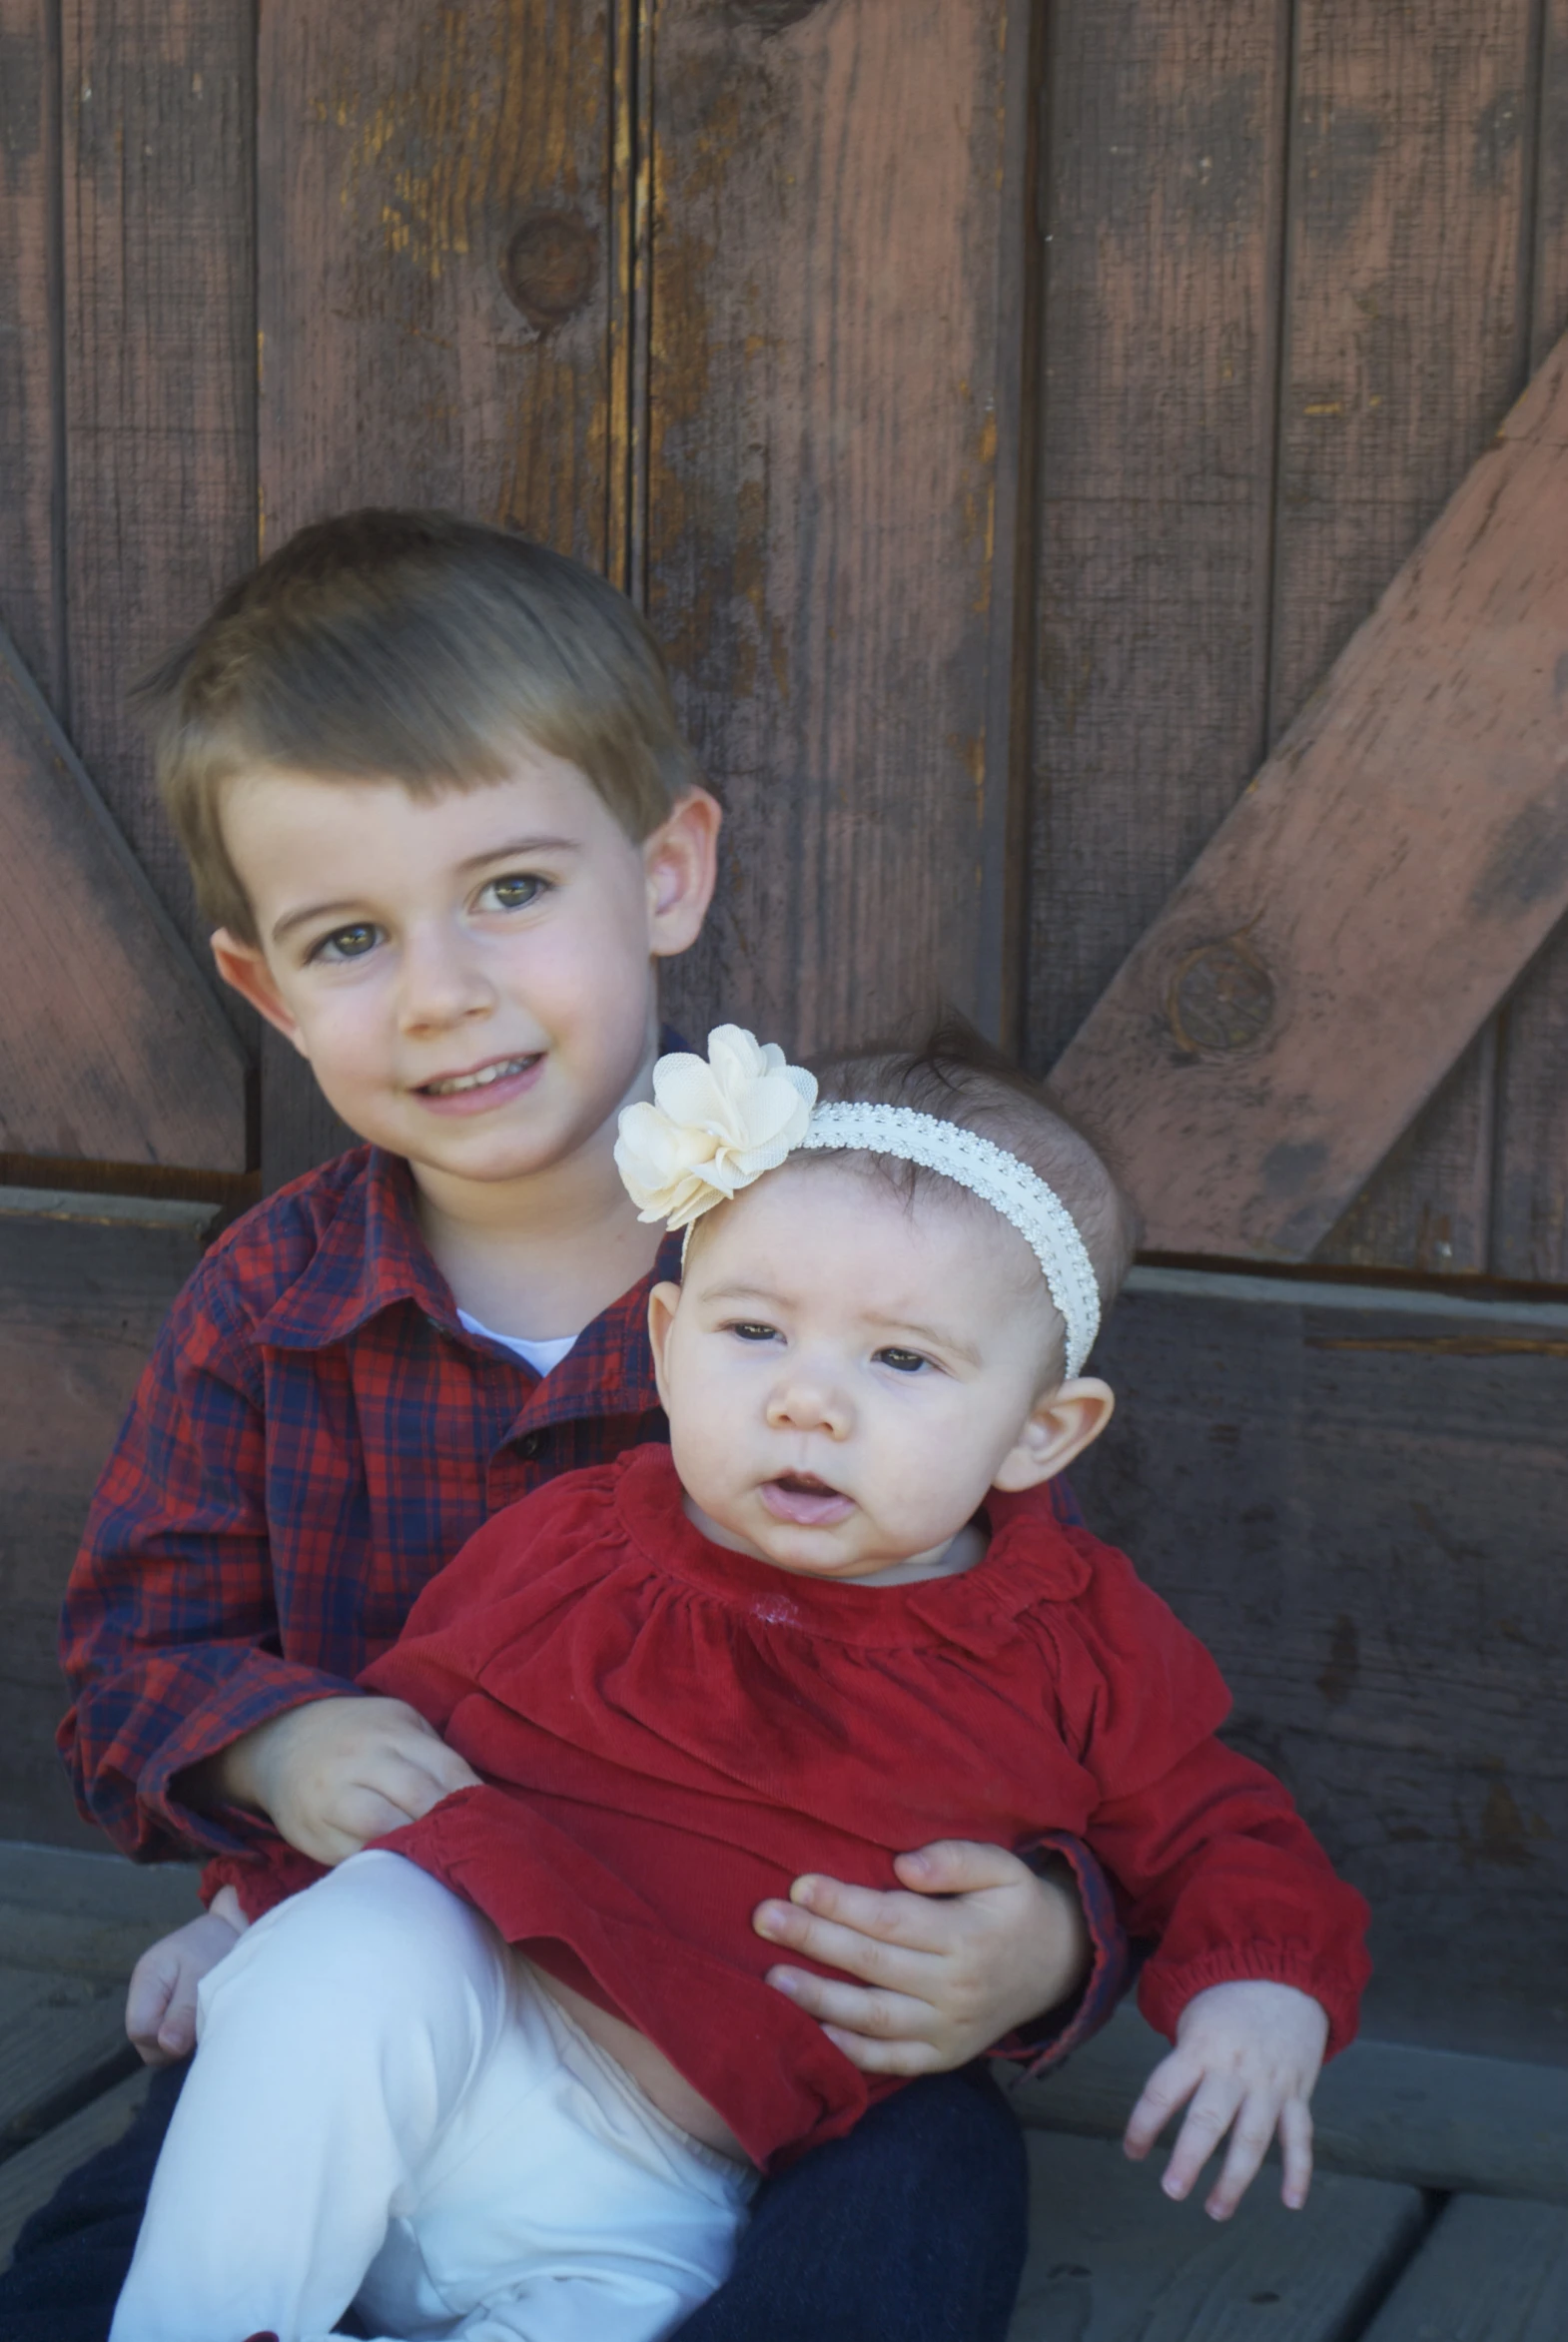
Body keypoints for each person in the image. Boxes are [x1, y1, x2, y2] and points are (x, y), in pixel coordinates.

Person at [2, 512, 1125, 2342]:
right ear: (268, 992)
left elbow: (1055, 1671)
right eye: (352, 937)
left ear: (666, 874)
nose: (442, 988)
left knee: (917, 2216)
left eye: (510, 891)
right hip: (360, 1964)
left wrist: (1045, 1940)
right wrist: (276, 1754)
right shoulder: (266, 1308)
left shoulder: (852, 1273)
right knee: (114, 2244)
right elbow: (132, 1656)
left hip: (747, 2041)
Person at [109, 1023, 1370, 2342]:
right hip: (457, 2037)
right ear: (664, 1341)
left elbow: (1217, 1829)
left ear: (1038, 1431)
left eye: (900, 1360)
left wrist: (1259, 1987)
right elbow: (394, 1757)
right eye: (755, 1330)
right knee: (354, 1955)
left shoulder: (1074, 1639)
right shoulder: (576, 1544)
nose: (806, 1403)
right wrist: (244, 1912)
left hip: (665, 2198)